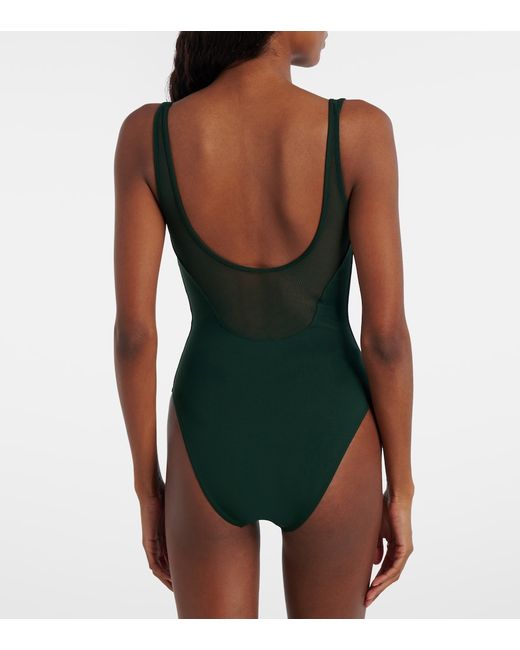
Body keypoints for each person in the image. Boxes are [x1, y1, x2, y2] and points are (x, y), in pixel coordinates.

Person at [113, 31, 414, 619]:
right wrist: (399, 488)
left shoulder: (148, 135)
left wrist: (148, 490)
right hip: (334, 434)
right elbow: (386, 340)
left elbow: (134, 336)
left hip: (207, 433)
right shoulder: (359, 130)